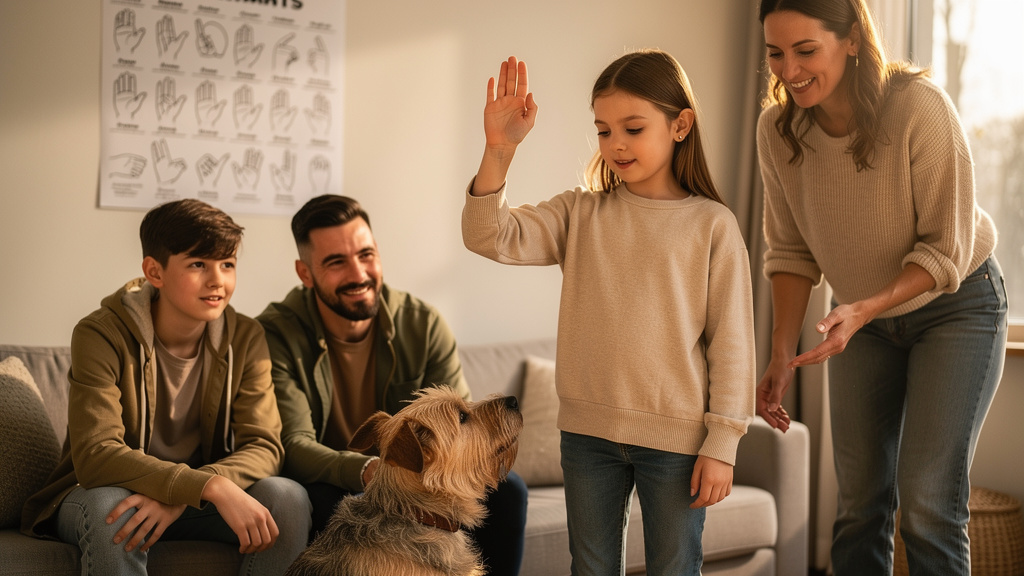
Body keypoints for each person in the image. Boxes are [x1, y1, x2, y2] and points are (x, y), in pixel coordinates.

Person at [461, 51, 756, 575]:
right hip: (587, 437)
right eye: (603, 130)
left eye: (633, 128)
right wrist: (499, 150)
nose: (615, 143)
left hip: (677, 442)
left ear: (680, 125)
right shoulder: (581, 213)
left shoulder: (713, 225)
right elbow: (488, 235)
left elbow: (732, 345)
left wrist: (723, 443)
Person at [755, 1, 1008, 574]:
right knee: (859, 507)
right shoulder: (777, 131)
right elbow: (791, 252)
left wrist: (866, 308)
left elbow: (945, 249)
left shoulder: (919, 107)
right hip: (861, 322)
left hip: (955, 306)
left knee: (927, 505)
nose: (789, 71)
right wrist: (780, 355)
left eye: (805, 51)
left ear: (851, 39)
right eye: (775, 53)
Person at [21, 199, 311, 575]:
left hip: (193, 499)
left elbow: (264, 445)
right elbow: (96, 455)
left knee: (288, 497)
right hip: (106, 494)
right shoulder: (99, 333)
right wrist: (207, 488)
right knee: (113, 509)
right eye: (198, 264)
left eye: (227, 264)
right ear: (154, 272)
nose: (218, 280)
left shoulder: (246, 336)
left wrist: (192, 490)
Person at [256, 194, 528, 576]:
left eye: (365, 254)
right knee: (317, 498)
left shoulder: (423, 324)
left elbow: (462, 428)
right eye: (336, 262)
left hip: (414, 478)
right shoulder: (274, 334)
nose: (358, 273)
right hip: (334, 477)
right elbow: (295, 444)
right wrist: (367, 469)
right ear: (305, 273)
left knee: (509, 491)